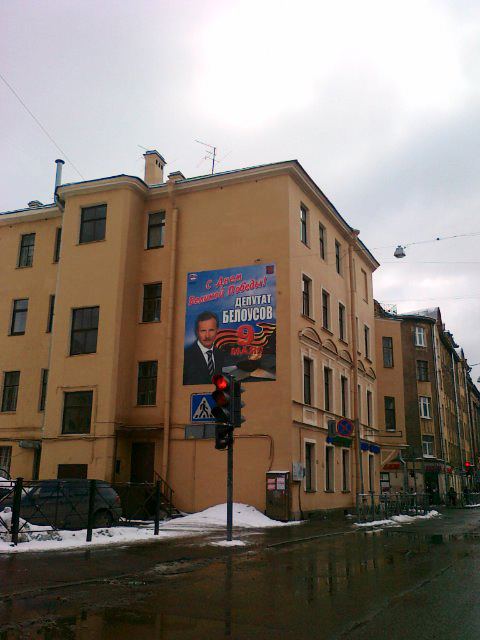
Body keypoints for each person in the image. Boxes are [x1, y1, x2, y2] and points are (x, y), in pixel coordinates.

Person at [183, 311, 226, 385]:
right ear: (197, 332)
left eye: (211, 330)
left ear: (217, 331)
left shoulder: (221, 355)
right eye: (203, 331)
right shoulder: (186, 357)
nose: (207, 336)